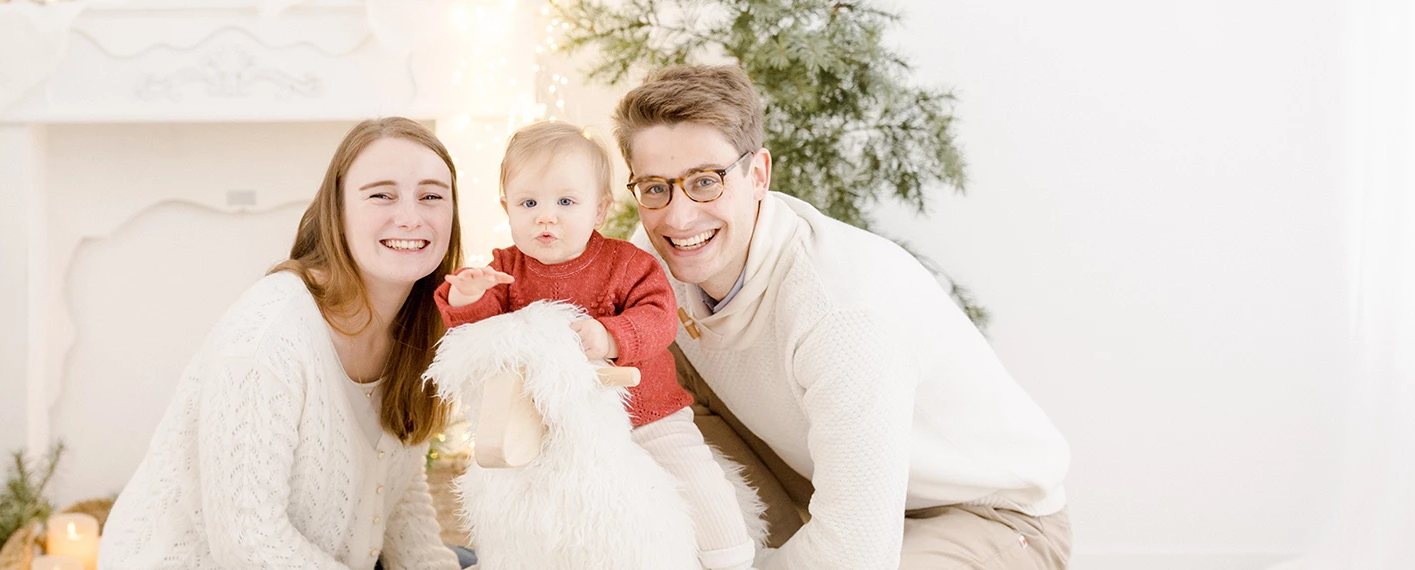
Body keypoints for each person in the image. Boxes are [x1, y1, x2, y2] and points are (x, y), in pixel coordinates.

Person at [614, 64, 1073, 569]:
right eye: (656, 188)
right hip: (819, 494)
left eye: (706, 181)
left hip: (984, 517)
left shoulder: (840, 310)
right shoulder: (652, 266)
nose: (679, 218)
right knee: (642, 358)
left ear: (758, 175)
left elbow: (856, 555)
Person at [100, 117, 473, 570]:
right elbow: (248, 544)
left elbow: (396, 481)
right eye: (381, 195)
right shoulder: (267, 340)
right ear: (337, 212)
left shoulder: (418, 324)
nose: (411, 217)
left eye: (432, 196)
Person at [434, 120, 757, 570]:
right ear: (507, 208)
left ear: (600, 210)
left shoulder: (627, 264)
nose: (546, 216)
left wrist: (609, 335)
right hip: (557, 429)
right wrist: (466, 298)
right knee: (545, 515)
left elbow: (660, 318)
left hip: (648, 414)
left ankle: (730, 558)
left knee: (697, 479)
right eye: (529, 203)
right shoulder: (505, 269)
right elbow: (489, 337)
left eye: (566, 202)